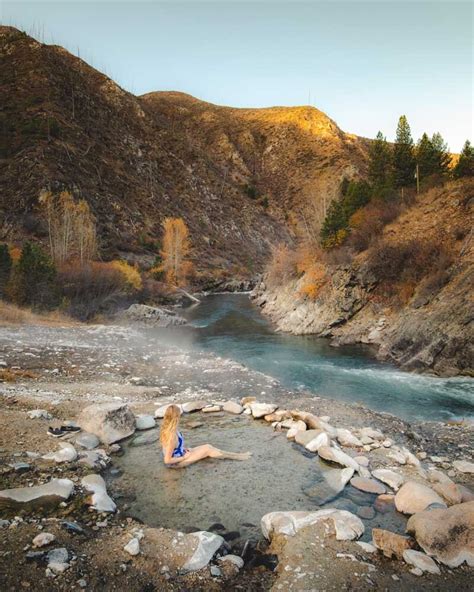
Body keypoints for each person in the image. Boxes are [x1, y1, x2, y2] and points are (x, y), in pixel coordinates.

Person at [159, 404, 252, 467]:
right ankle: (237, 457)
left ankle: (237, 455)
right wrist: (184, 457)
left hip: (182, 454)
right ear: (176, 417)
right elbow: (167, 460)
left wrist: (183, 449)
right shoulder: (171, 436)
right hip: (177, 463)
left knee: (208, 446)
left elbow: (172, 449)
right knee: (208, 450)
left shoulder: (168, 429)